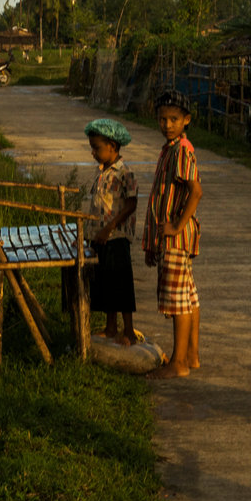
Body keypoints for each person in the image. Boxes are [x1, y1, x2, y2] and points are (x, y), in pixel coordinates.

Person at [141, 92, 203, 377]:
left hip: (177, 236)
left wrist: (177, 225)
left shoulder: (181, 151)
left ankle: (179, 362)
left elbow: (196, 191)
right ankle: (191, 355)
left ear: (186, 120)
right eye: (163, 119)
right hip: (173, 236)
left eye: (174, 119)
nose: (167, 124)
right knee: (188, 297)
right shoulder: (170, 149)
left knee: (177, 300)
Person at [84, 118, 139, 343]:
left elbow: (131, 203)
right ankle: (110, 327)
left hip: (116, 237)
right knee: (106, 282)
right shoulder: (102, 172)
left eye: (97, 148)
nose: (93, 153)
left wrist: (110, 227)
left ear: (113, 147)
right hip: (100, 237)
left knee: (121, 284)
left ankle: (128, 330)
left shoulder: (124, 173)